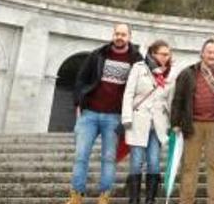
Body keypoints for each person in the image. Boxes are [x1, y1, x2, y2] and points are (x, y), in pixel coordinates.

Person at [66, 23, 143, 204]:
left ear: (129, 37)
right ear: (113, 35)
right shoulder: (98, 54)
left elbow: (140, 88)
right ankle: (76, 195)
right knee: (80, 156)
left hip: (114, 117)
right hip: (90, 114)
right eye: (117, 33)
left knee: (109, 158)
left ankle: (104, 196)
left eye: (123, 34)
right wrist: (78, 102)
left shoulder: (137, 60)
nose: (120, 37)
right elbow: (82, 78)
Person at [170, 38, 214, 204]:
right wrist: (175, 123)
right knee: (189, 166)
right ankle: (186, 201)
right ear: (202, 53)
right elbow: (177, 99)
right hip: (192, 125)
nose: (212, 55)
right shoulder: (188, 73)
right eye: (209, 52)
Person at [121, 39, 174, 204]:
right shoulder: (139, 68)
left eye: (168, 54)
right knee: (136, 161)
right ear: (153, 53)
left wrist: (173, 123)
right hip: (138, 120)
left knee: (154, 161)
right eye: (163, 54)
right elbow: (129, 93)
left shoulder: (171, 73)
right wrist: (126, 117)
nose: (166, 57)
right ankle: (134, 199)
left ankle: (150, 200)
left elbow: (171, 100)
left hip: (158, 122)